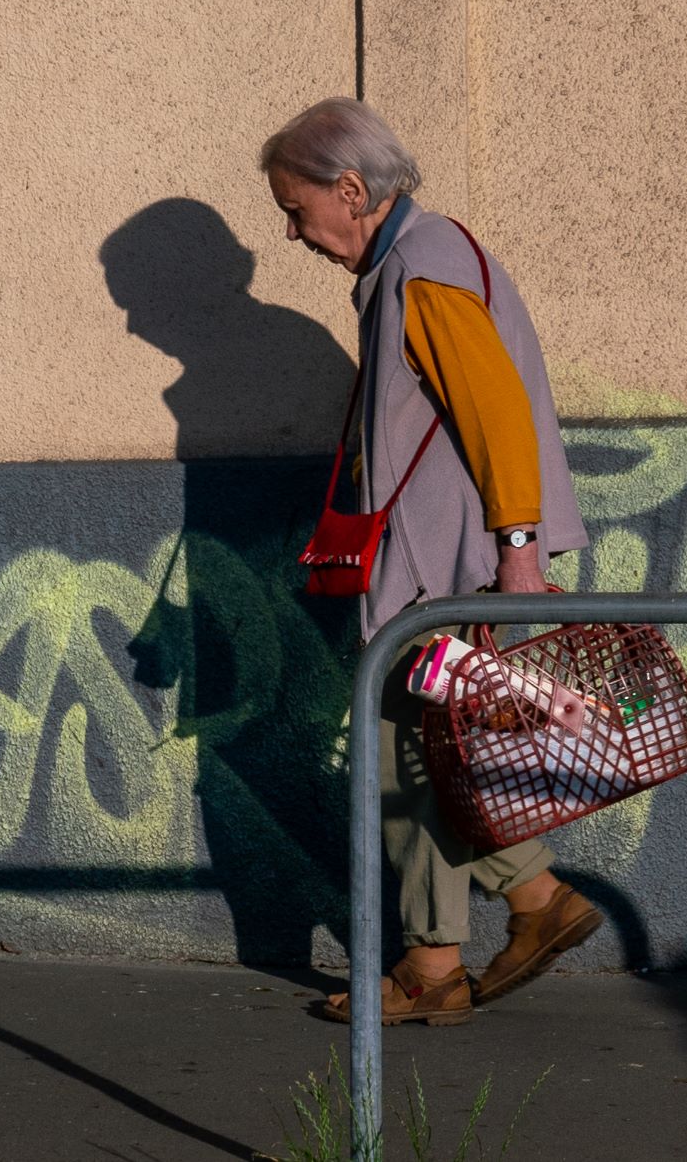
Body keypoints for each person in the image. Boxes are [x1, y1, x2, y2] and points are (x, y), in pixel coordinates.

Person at [259, 95, 601, 1026]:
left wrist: (518, 557)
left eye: (295, 209)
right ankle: (466, 943)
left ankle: (487, 929)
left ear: (350, 189)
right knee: (425, 751)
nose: (293, 233)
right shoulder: (423, 258)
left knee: (410, 756)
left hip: (444, 572)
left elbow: (495, 415)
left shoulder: (422, 268)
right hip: (446, 562)